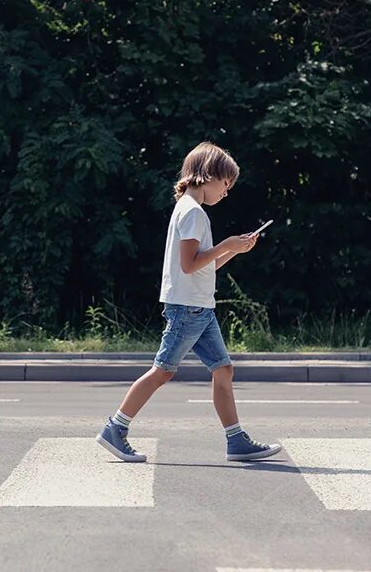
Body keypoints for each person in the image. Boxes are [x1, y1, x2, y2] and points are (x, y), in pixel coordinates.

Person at [96, 142, 282, 463]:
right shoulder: (194, 213)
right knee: (162, 372)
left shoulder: (188, 208)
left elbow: (200, 266)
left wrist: (232, 251)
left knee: (223, 370)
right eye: (226, 184)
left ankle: (236, 440)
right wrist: (226, 244)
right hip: (188, 308)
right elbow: (190, 264)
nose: (226, 192)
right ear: (208, 175)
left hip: (199, 307)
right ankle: (115, 428)